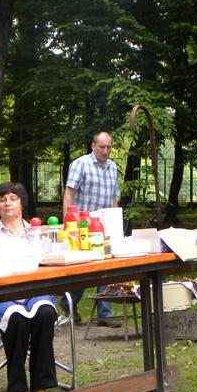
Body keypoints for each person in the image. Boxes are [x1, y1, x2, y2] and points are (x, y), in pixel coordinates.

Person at [0, 182, 58, 392]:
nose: (7, 203)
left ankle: (41, 385)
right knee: (16, 318)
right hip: (1, 295)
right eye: (2, 199)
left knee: (45, 312)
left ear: (22, 203)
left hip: (34, 291)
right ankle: (17, 388)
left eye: (13, 198)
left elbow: (50, 262)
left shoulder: (37, 233)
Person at [62, 131, 121, 328]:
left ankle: (105, 313)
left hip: (104, 225)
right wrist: (68, 222)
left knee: (106, 267)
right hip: (82, 225)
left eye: (109, 147)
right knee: (84, 271)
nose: (105, 151)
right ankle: (68, 303)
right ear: (93, 146)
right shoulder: (81, 164)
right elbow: (69, 193)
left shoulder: (113, 167)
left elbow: (114, 197)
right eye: (102, 147)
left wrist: (115, 222)